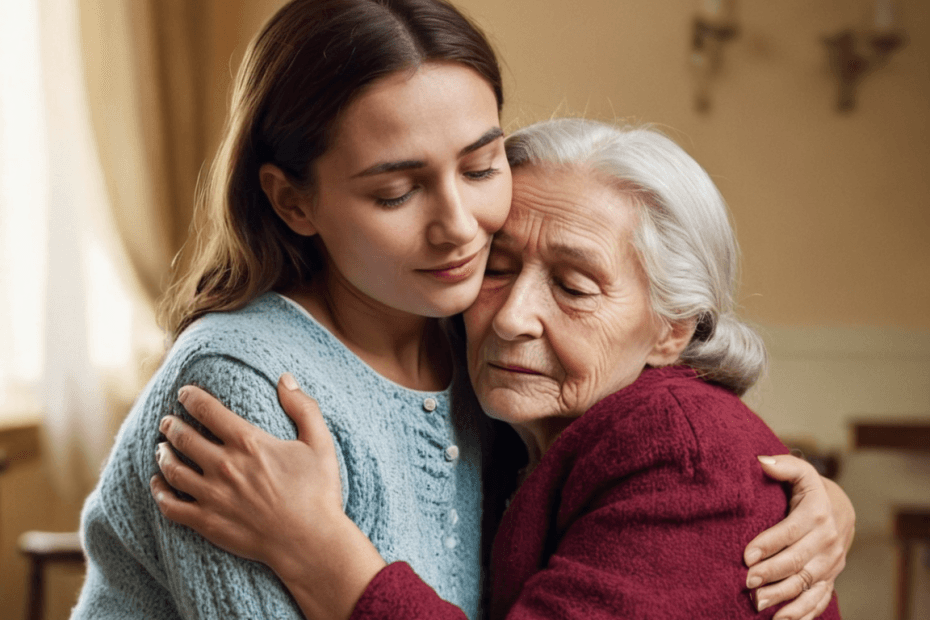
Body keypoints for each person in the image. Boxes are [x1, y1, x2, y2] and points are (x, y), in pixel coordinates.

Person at [152, 120, 850, 620]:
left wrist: (313, 542)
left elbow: (705, 471)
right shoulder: (505, 418)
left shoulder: (681, 451)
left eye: (575, 287)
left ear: (673, 329)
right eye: (498, 266)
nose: (513, 315)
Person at [73, 0, 511, 617]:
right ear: (292, 203)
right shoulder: (241, 387)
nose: (460, 226)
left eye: (482, 167)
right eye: (396, 193)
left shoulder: (484, 346)